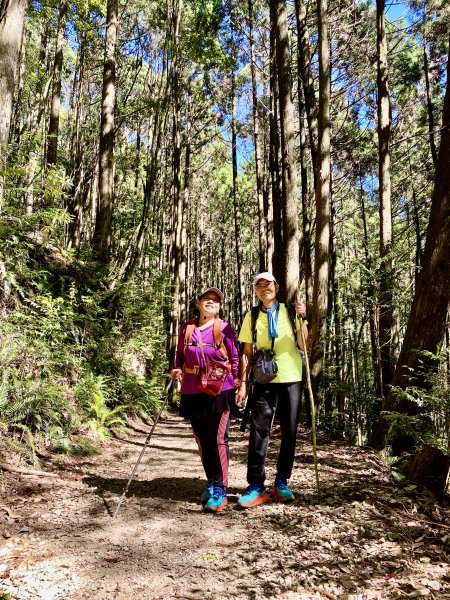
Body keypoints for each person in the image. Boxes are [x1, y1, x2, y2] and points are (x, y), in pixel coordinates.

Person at [236, 272, 308, 508]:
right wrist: (243, 383)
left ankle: (282, 481)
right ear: (255, 290)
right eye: (259, 285)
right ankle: (256, 484)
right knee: (259, 431)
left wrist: (303, 319)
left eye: (268, 284)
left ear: (277, 287)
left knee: (289, 431)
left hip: (291, 377)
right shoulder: (253, 314)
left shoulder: (289, 311)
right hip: (264, 379)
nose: (264, 288)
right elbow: (246, 352)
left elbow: (303, 344)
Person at [171, 287, 240, 512]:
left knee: (218, 438)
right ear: (198, 303)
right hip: (192, 389)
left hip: (220, 389)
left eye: (215, 301)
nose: (211, 303)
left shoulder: (225, 329)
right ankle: (211, 482)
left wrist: (238, 383)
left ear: (219, 307)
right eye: (206, 299)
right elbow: (180, 354)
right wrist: (177, 369)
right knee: (202, 438)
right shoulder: (187, 328)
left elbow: (235, 357)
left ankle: (221, 489)